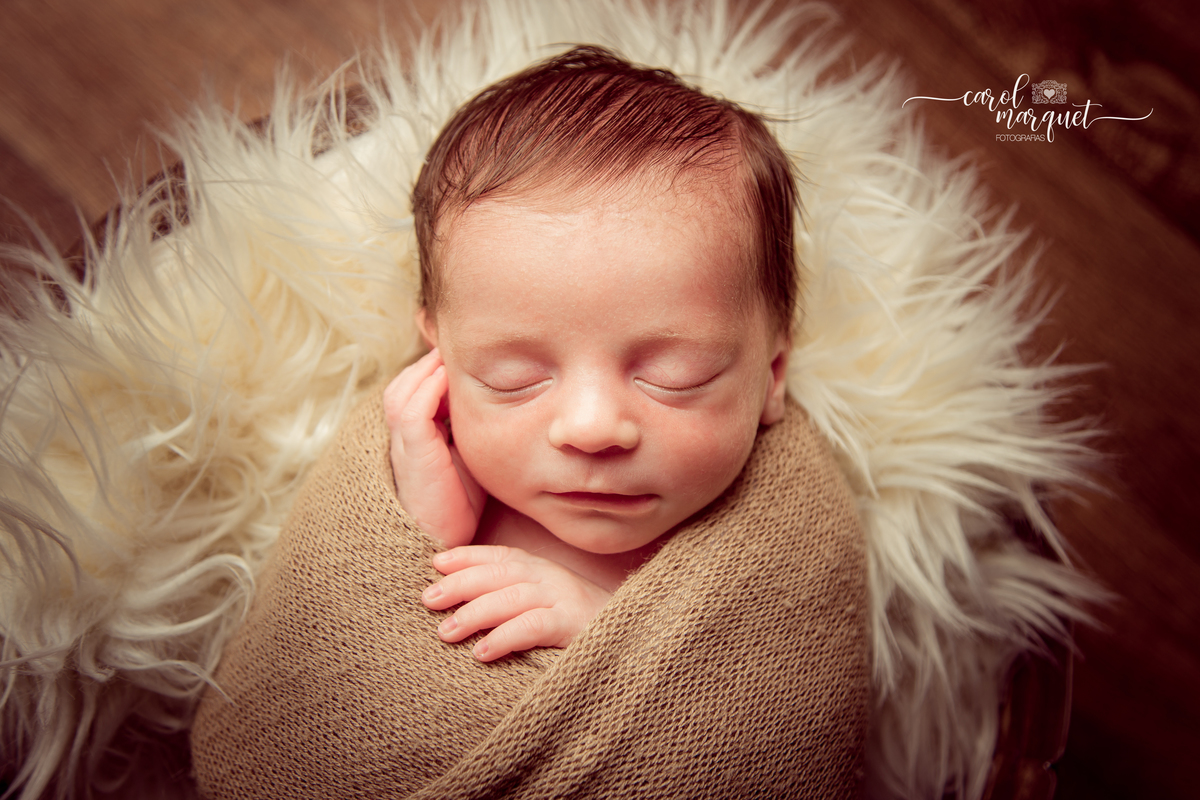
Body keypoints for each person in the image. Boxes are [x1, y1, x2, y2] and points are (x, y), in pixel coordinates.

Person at [383, 45, 798, 663]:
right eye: (512, 377)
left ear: (772, 375)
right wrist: (420, 530)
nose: (592, 427)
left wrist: (607, 634)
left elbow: (762, 703)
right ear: (439, 359)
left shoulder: (781, 541)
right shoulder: (423, 469)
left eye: (673, 376)